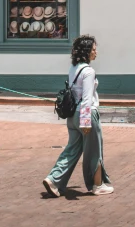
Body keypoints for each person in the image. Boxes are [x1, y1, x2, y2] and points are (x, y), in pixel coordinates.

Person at [43, 34, 113, 197]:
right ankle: (98, 185)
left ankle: (54, 180)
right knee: (95, 151)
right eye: (94, 50)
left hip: (72, 115)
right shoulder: (88, 71)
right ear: (87, 51)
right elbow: (87, 99)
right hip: (86, 115)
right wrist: (86, 122)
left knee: (72, 149)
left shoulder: (73, 68)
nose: (96, 53)